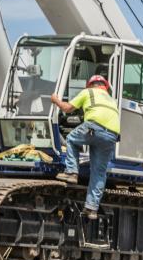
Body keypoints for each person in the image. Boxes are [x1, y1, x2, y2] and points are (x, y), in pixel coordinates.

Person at [50, 75, 121, 219]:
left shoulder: (88, 92)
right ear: (105, 86)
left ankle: (71, 172)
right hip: (112, 136)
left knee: (71, 139)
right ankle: (91, 209)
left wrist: (56, 100)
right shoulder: (111, 100)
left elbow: (67, 108)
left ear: (90, 85)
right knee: (99, 172)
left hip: (94, 127)